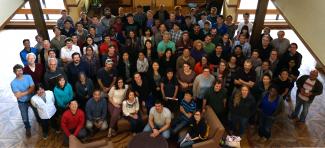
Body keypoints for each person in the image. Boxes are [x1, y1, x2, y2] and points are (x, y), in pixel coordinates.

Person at [10, 64, 38, 137]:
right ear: (14, 72)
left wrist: (22, 93)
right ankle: (28, 128)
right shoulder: (13, 83)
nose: (20, 72)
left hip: (32, 98)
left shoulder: (28, 77)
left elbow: (33, 88)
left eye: (21, 70)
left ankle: (40, 122)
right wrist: (28, 90)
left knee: (37, 111)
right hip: (22, 102)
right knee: (24, 117)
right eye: (17, 71)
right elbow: (18, 95)